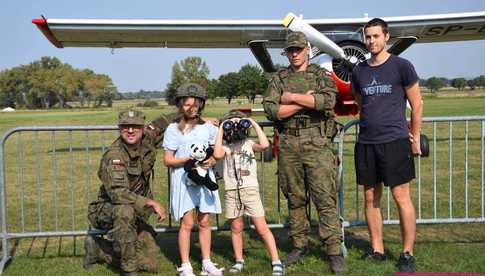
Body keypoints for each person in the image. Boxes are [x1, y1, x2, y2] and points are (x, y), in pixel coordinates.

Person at [262, 31, 345, 273]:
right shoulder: (279, 79)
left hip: (318, 143)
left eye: (299, 49)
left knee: (324, 197)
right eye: (291, 50)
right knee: (295, 198)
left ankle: (333, 250)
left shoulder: (321, 76)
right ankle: (299, 245)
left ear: (308, 49)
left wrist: (290, 99)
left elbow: (327, 101)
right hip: (289, 143)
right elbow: (272, 110)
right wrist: (303, 101)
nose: (295, 53)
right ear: (287, 52)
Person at [350, 18, 422, 272]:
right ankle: (377, 249)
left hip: (395, 141)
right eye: (368, 37)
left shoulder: (402, 66)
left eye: (375, 36)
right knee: (370, 197)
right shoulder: (359, 71)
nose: (371, 41)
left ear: (386, 37)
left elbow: (417, 104)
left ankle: (407, 253)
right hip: (367, 142)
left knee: (401, 197)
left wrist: (414, 137)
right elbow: (361, 103)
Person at [84, 109, 168, 276]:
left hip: (135, 211)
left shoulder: (147, 140)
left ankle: (99, 249)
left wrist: (202, 119)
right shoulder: (114, 155)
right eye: (125, 126)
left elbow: (165, 120)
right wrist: (150, 203)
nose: (130, 130)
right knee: (125, 211)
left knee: (151, 263)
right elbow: (117, 193)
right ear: (119, 128)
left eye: (135, 126)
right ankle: (129, 270)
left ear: (143, 128)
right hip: (107, 210)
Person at [162, 83, 223, 276]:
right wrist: (186, 160)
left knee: (205, 221)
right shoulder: (173, 129)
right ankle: (185, 265)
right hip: (183, 180)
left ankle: (206, 262)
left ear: (201, 105)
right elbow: (167, 160)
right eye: (187, 104)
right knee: (187, 223)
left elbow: (216, 150)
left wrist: (212, 160)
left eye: (196, 105)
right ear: (180, 105)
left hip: (205, 178)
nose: (191, 108)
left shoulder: (208, 128)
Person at [213, 111, 284, 275]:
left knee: (261, 227)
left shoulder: (249, 144)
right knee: (236, 227)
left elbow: (265, 145)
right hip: (232, 191)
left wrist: (252, 122)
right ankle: (239, 260)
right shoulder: (226, 147)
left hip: (250, 190)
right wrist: (222, 128)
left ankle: (276, 260)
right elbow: (216, 154)